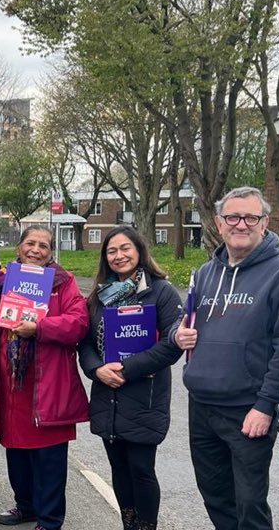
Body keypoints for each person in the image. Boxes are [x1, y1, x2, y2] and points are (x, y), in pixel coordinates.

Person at [173, 186, 279, 530]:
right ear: (219, 223)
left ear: (265, 223)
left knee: (249, 503)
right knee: (215, 495)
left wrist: (265, 406)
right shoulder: (205, 273)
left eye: (251, 217)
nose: (241, 224)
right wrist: (178, 331)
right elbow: (186, 318)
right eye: (233, 217)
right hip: (201, 405)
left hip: (247, 409)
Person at [0, 225, 89, 530]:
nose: (36, 250)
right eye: (31, 243)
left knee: (50, 460)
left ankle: (50, 520)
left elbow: (78, 323)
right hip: (11, 387)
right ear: (19, 247)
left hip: (48, 385)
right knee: (18, 456)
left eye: (44, 246)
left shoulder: (64, 284)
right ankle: (26, 506)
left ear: (51, 253)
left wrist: (40, 327)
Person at [77, 226, 184, 530]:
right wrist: (96, 369)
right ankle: (129, 524)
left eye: (125, 248)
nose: (119, 255)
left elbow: (171, 345)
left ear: (139, 251)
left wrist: (127, 369)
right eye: (112, 251)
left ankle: (146, 526)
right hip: (106, 395)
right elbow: (84, 343)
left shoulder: (160, 291)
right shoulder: (99, 296)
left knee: (141, 469)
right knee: (119, 469)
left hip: (143, 395)